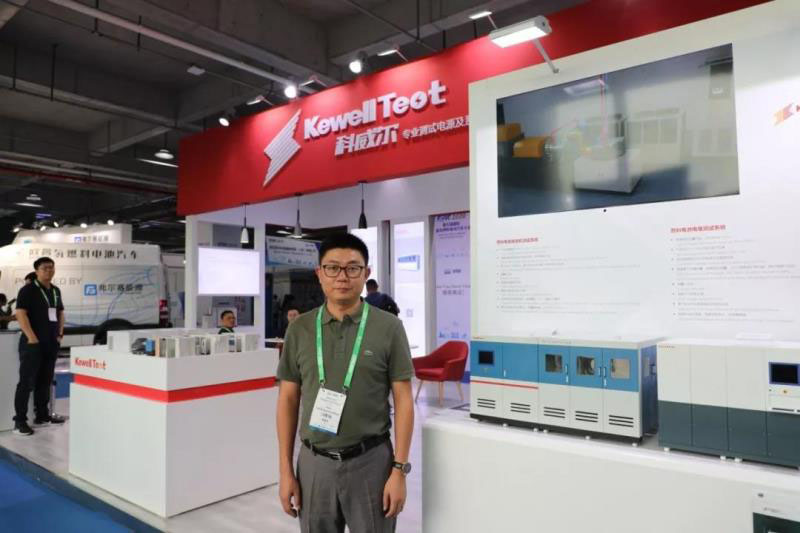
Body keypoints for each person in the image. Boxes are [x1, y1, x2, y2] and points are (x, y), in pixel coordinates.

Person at [277, 233, 414, 532]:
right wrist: (286, 470)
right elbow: (288, 399)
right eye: (332, 268)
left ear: (366, 273)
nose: (342, 276)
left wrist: (399, 470)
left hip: (372, 462)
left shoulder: (389, 328)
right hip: (314, 464)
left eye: (353, 268)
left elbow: (404, 400)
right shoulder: (299, 329)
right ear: (319, 273)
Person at [13, 257, 66, 436]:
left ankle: (42, 415)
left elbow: (60, 312)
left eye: (51, 267)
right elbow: (20, 314)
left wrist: (60, 334)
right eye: (45, 268)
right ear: (37, 271)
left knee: (45, 380)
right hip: (32, 344)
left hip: (51, 343)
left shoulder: (55, 290)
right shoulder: (28, 290)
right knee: (26, 382)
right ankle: (19, 421)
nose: (49, 271)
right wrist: (31, 338)